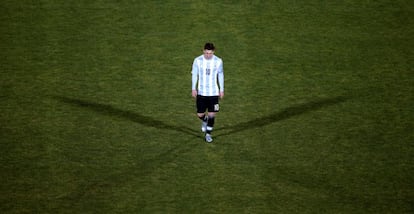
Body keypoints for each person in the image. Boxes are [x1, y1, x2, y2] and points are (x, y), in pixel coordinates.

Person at [191, 42, 224, 143]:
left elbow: (220, 75)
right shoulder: (197, 60)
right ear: (203, 51)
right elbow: (194, 74)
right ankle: (204, 120)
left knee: (212, 115)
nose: (208, 55)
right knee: (200, 114)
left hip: (213, 93)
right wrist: (193, 88)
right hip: (201, 92)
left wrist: (221, 89)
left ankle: (208, 134)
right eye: (206, 53)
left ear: (213, 52)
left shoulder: (218, 61)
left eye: (210, 53)